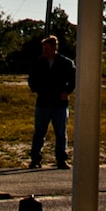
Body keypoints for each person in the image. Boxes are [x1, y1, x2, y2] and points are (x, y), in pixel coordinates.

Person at [27, 34, 75, 168]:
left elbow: (73, 79)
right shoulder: (39, 63)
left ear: (54, 48)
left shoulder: (66, 63)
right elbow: (32, 78)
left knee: (60, 132)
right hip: (43, 102)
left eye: (47, 48)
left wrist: (67, 91)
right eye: (44, 48)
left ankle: (61, 159)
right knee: (39, 132)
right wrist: (36, 89)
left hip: (59, 103)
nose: (44, 51)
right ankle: (35, 159)